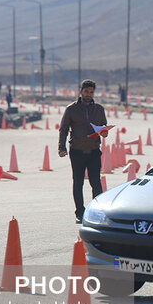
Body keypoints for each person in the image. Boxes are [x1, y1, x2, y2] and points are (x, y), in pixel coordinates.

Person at [58, 79, 108, 223]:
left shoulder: (99, 109)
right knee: (78, 182)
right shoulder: (71, 109)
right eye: (86, 91)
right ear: (81, 91)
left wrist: (104, 133)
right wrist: (61, 147)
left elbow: (103, 127)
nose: (88, 94)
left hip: (93, 150)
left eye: (91, 92)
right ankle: (80, 212)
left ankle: (96, 211)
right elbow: (64, 129)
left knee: (96, 183)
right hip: (77, 151)